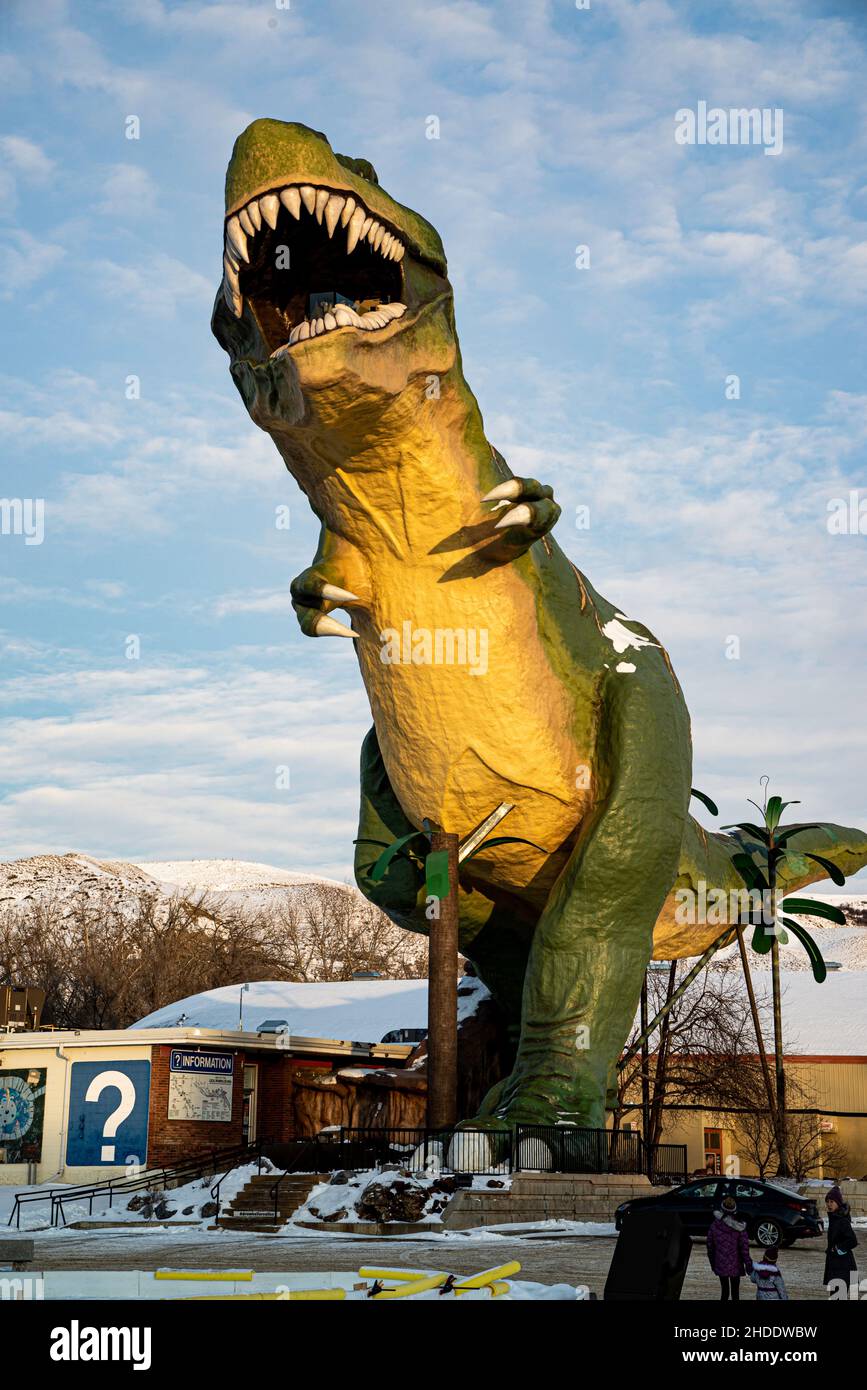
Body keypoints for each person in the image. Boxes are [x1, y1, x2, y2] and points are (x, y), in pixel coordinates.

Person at [707, 1194, 752, 1300]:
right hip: (735, 1265)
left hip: (720, 1263)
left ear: (722, 1209)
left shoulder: (714, 1226)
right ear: (734, 1210)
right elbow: (744, 1250)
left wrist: (713, 1263)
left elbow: (710, 1247)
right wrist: (749, 1266)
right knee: (735, 1294)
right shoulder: (740, 1228)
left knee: (724, 1292)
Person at [824, 1185, 858, 1297]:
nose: (829, 1204)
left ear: (838, 1203)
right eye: (827, 1201)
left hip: (843, 1267)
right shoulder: (834, 1218)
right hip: (837, 1267)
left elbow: (852, 1240)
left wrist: (837, 1248)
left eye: (832, 1201)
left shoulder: (842, 1221)